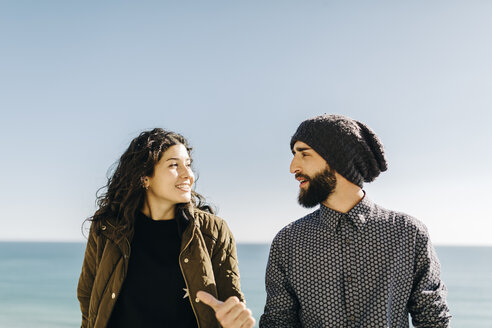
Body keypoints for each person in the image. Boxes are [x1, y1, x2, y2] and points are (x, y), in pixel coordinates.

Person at [260, 114, 451, 327]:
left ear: (338, 159)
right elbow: (278, 322)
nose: (293, 167)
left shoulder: (408, 233)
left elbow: (433, 319)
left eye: (304, 154)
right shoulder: (288, 241)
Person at [77, 128, 255, 328]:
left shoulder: (213, 231)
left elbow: (231, 306)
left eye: (188, 165)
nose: (188, 175)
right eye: (174, 165)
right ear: (145, 177)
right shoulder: (108, 228)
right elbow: (87, 296)